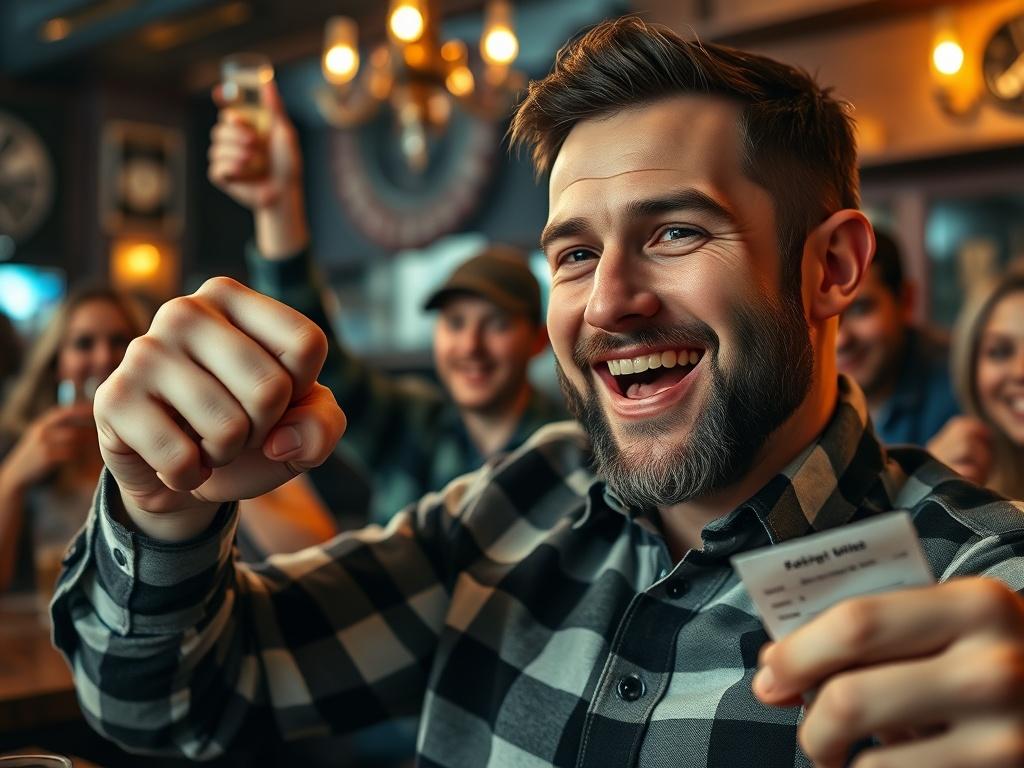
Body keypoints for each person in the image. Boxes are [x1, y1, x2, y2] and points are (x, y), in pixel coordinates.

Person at [53, 19, 1024, 768]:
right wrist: (160, 512)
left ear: (832, 268)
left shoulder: (978, 584)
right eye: (572, 252)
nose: (607, 303)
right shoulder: (513, 507)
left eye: (676, 232)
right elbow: (166, 705)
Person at [207, 94, 566, 524]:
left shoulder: (569, 449)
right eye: (455, 322)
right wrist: (276, 203)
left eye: (497, 324)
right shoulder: (411, 424)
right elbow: (311, 354)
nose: (470, 345)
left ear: (539, 340)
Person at [0, 285, 146, 592]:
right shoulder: (16, 440)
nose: (105, 357)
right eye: (84, 343)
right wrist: (12, 477)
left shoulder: (153, 448)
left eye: (119, 341)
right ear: (56, 362)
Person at [836, 229, 959, 445]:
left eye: (860, 309)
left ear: (906, 301)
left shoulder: (960, 389)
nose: (841, 340)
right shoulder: (800, 401)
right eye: (825, 318)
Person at [927, 269, 1024, 497]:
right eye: (999, 351)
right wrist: (928, 488)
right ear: (970, 367)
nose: (1021, 371)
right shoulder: (953, 473)